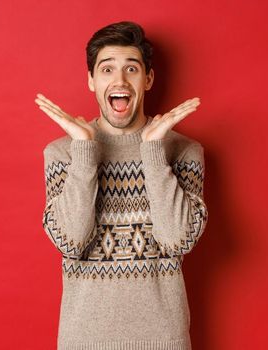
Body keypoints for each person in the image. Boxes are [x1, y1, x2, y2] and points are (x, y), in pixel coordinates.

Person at [34, 20, 208, 350]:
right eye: (107, 69)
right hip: (83, 341)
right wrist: (84, 151)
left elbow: (177, 240)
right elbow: (70, 242)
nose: (119, 80)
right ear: (91, 80)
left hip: (164, 341)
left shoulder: (184, 151)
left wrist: (154, 151)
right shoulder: (62, 152)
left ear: (148, 79)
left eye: (131, 68)